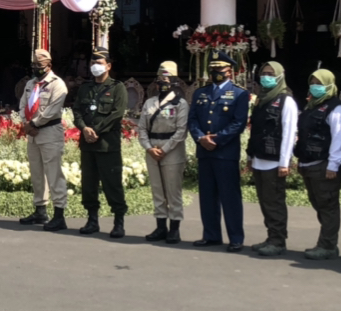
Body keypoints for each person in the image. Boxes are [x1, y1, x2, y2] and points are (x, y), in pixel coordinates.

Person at [189, 51, 249, 253]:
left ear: (229, 71)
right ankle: (211, 235)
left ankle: (235, 238)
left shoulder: (240, 94)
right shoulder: (200, 93)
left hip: (225, 153)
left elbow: (238, 123)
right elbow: (193, 120)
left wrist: (216, 139)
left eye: (219, 69)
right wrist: (200, 138)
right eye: (213, 69)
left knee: (229, 197)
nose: (215, 73)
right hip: (204, 152)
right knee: (207, 196)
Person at [72, 47, 128, 238]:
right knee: (89, 184)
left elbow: (117, 113)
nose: (96, 66)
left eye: (99, 63)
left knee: (112, 184)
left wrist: (96, 130)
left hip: (108, 146)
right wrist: (84, 128)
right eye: (93, 63)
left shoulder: (117, 87)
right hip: (88, 145)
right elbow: (77, 110)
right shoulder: (85, 88)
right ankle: (92, 220)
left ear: (108, 66)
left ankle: (119, 222)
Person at [295, 69, 341, 260]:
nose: (315, 87)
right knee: (319, 204)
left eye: (319, 83)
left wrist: (333, 166)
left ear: (329, 84)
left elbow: (338, 139)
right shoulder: (312, 106)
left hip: (325, 165)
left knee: (328, 206)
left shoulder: (336, 108)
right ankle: (326, 242)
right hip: (309, 163)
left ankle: (328, 246)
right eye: (313, 82)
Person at [246, 62, 298, 257]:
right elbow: (256, 131)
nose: (266, 77)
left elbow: (289, 133)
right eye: (264, 73)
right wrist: (250, 156)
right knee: (265, 202)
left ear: (280, 76)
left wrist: (285, 162)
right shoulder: (261, 99)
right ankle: (271, 237)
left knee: (274, 202)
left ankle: (278, 240)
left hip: (275, 162)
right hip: (260, 158)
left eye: (270, 74)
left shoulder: (286, 101)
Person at [137, 61, 190, 244]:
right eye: (160, 78)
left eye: (166, 78)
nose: (162, 81)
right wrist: (149, 148)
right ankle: (161, 226)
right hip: (152, 147)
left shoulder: (181, 103)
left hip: (172, 149)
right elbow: (141, 128)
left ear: (174, 80)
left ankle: (174, 228)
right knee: (157, 190)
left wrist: (165, 149)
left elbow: (181, 131)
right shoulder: (150, 102)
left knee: (173, 191)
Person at [18, 49, 69, 232]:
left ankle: (59, 215)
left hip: (49, 133)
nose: (36, 68)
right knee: (37, 174)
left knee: (54, 174)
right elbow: (23, 104)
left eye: (40, 65)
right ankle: (40, 210)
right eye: (34, 65)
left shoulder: (58, 85)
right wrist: (25, 123)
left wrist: (33, 123)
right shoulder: (31, 84)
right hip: (33, 135)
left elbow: (53, 110)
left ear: (49, 65)